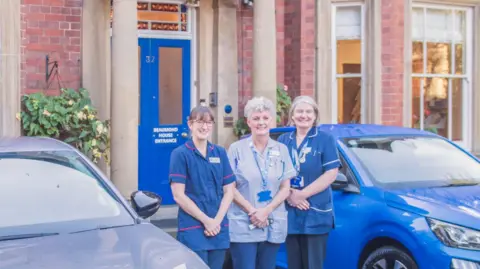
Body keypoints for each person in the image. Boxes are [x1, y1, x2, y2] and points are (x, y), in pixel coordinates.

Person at [227, 96, 297, 269]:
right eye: (256, 118)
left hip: (273, 221)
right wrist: (253, 211)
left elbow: (285, 187)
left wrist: (266, 211)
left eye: (265, 118)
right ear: (248, 121)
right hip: (244, 223)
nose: (261, 122)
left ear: (272, 121)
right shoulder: (236, 149)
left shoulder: (281, 149)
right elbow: (229, 188)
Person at [277, 95, 341, 269]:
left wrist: (302, 194)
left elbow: (331, 173)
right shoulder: (284, 140)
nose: (303, 115)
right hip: (290, 211)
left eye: (308, 111)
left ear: (315, 116)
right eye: (299, 111)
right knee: (293, 264)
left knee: (313, 265)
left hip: (315, 211)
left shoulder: (325, 139)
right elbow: (276, 172)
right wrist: (290, 194)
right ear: (292, 115)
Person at [169, 105, 236, 269]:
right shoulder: (180, 154)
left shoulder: (220, 153)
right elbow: (179, 195)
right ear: (190, 124)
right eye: (199, 121)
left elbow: (229, 189)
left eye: (208, 122)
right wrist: (207, 221)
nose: (204, 126)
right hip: (193, 229)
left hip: (218, 229)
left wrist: (216, 221)